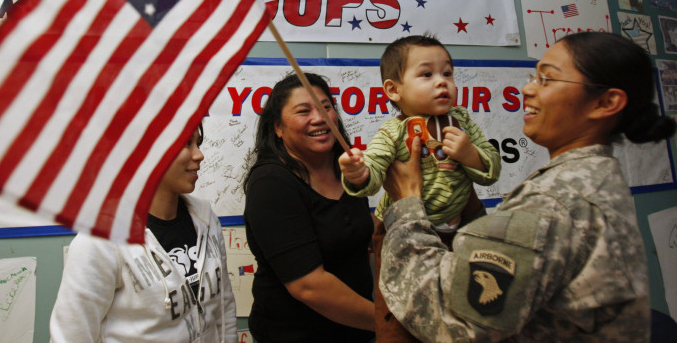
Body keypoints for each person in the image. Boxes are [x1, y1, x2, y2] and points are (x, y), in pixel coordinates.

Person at [379, 32, 675, 342]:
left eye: (546, 80)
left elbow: (451, 319)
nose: (527, 88)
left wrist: (407, 206)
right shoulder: (599, 177)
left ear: (606, 102)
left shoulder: (555, 200)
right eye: (533, 77)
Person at [50, 124, 237, 343]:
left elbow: (224, 309)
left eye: (198, 143)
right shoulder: (101, 240)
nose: (199, 155)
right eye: (187, 144)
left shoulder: (205, 219)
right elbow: (71, 336)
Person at [243, 72, 375, 343]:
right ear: (278, 128)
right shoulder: (270, 183)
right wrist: (392, 323)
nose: (320, 118)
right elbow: (309, 286)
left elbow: (359, 225)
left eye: (326, 107)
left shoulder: (345, 165)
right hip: (294, 336)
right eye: (304, 111)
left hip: (357, 332)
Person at [339, 33, 501, 238]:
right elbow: (375, 167)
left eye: (447, 73)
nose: (442, 82)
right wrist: (359, 174)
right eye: (427, 74)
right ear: (393, 89)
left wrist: (470, 155)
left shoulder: (462, 120)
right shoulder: (392, 132)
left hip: (465, 223)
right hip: (406, 228)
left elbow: (492, 169)